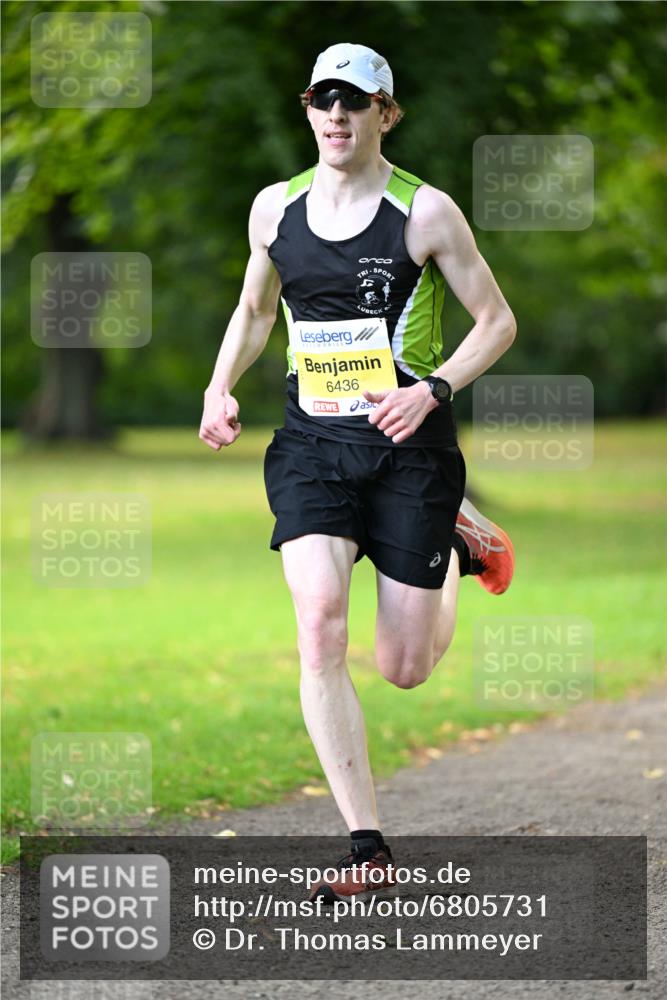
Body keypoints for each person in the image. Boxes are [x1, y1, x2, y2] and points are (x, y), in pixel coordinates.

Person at [199, 42, 516, 903]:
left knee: (404, 667)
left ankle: (454, 536)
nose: (335, 115)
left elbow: (495, 322)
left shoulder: (426, 214)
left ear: (385, 113)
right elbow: (256, 308)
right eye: (321, 100)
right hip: (311, 444)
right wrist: (219, 385)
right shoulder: (275, 209)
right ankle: (365, 845)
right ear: (307, 111)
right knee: (319, 622)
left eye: (354, 101)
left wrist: (435, 390)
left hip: (410, 447)